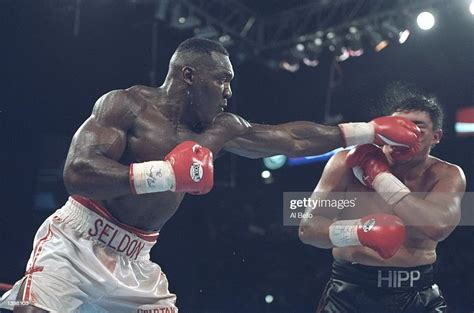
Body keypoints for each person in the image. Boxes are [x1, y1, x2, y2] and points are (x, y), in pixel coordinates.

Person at [1, 38, 421, 313]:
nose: (228, 91)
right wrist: (164, 174)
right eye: (222, 79)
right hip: (78, 242)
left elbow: (290, 139)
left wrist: (368, 129)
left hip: (137, 259)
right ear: (188, 75)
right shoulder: (125, 106)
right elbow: (77, 173)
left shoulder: (222, 127)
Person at [298, 95, 466, 312]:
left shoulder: (445, 174)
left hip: (415, 294)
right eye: (399, 125)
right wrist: (357, 231)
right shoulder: (346, 164)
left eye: (417, 126)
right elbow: (307, 228)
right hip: (349, 292)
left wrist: (380, 178)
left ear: (436, 137)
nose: (405, 134)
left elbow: (438, 226)